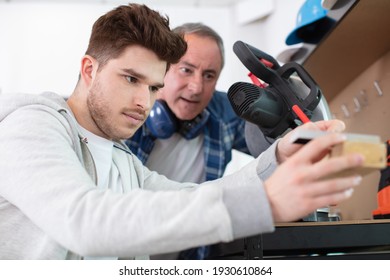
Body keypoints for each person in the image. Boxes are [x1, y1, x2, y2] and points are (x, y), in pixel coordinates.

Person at [0, 3, 364, 260]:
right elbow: (84, 221)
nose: (144, 102)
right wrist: (265, 201)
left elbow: (197, 193)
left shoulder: (121, 159)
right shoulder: (31, 125)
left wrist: (280, 155)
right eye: (131, 79)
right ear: (89, 69)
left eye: (154, 87)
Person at [126, 22, 271, 260]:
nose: (196, 88)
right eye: (186, 70)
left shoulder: (222, 113)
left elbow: (270, 146)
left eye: (209, 75)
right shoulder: (124, 111)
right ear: (163, 67)